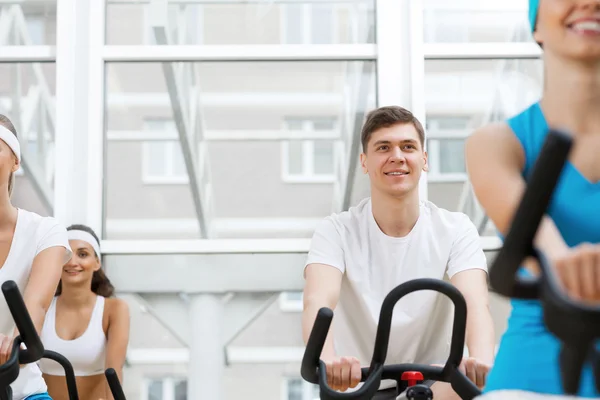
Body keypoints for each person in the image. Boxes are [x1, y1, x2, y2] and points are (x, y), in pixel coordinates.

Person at [302, 105, 496, 399]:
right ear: (364, 162)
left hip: (434, 384)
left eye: (408, 146)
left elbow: (475, 303)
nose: (397, 156)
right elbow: (317, 300)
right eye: (384, 147)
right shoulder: (336, 231)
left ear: (424, 160)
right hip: (360, 383)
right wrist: (327, 361)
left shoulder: (456, 229)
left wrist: (481, 362)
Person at [465, 0, 600, 397]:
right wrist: (564, 265)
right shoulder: (498, 143)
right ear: (535, 24)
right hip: (535, 368)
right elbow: (532, 229)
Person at [0, 114, 72, 400]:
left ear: (15, 161)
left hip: (23, 391)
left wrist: (13, 343)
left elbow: (36, 307)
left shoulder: (45, 232)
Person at [38, 224, 130, 400]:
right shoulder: (41, 306)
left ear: (97, 263)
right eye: (66, 254)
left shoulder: (114, 310)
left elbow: (114, 372)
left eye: (82, 254)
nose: (72, 262)